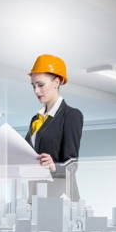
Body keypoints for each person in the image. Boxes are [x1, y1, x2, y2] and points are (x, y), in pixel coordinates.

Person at [25, 54, 83, 201]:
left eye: (41, 85)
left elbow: (72, 165)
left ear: (57, 82)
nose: (36, 91)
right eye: (33, 86)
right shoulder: (36, 119)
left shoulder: (71, 115)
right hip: (35, 193)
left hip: (60, 196)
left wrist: (54, 165)